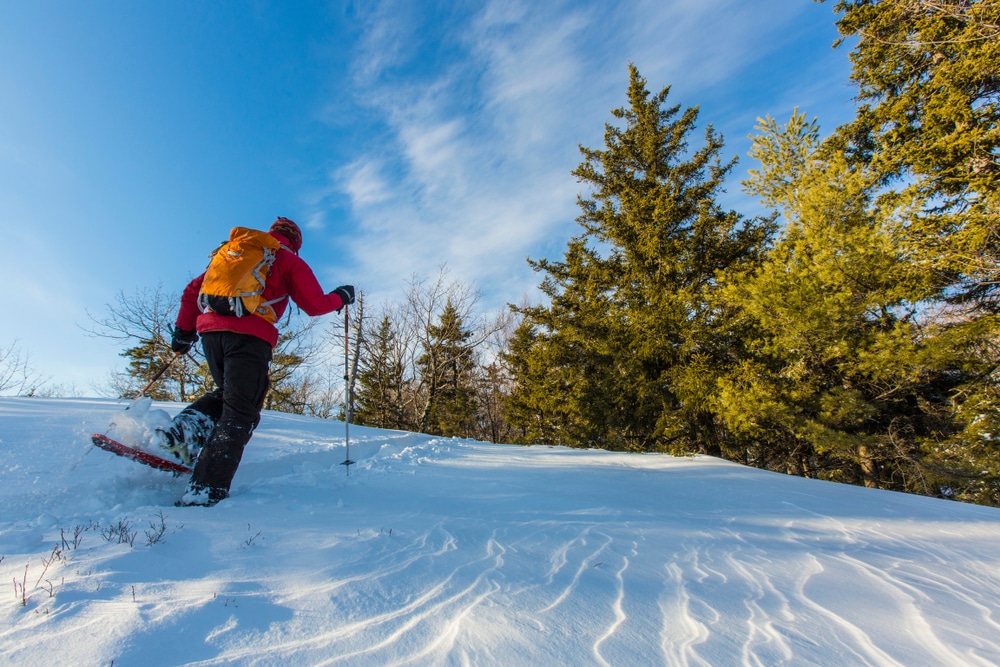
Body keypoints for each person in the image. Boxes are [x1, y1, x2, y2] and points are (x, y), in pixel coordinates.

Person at [160, 216, 354, 507]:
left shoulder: (234, 253)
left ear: (271, 233)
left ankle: (182, 433)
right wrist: (341, 297)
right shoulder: (288, 260)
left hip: (211, 335)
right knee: (241, 413)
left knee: (230, 396)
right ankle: (205, 491)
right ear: (296, 243)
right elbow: (314, 305)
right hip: (249, 338)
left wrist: (183, 332)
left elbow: (192, 291)